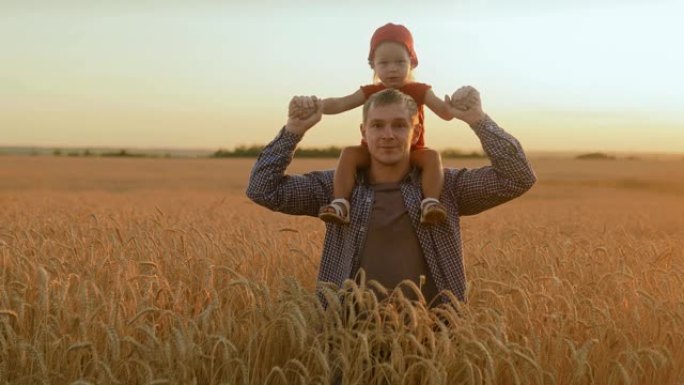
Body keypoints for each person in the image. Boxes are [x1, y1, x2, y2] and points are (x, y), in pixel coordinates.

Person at [247, 87, 536, 305]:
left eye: (399, 125)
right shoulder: (334, 188)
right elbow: (263, 189)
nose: (388, 134)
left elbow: (517, 177)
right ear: (364, 131)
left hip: (432, 341)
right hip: (348, 342)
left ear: (416, 130)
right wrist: (293, 132)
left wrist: (478, 120)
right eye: (377, 125)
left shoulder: (447, 188)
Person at [291, 23, 455, 226]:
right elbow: (341, 103)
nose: (392, 68)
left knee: (432, 157)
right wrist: (317, 106)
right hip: (372, 152)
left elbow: (445, 113)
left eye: (399, 62)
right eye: (384, 63)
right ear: (373, 66)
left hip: (412, 152)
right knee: (349, 154)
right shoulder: (370, 91)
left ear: (411, 63)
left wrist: (453, 106)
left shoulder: (420, 90)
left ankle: (430, 204)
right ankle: (341, 204)